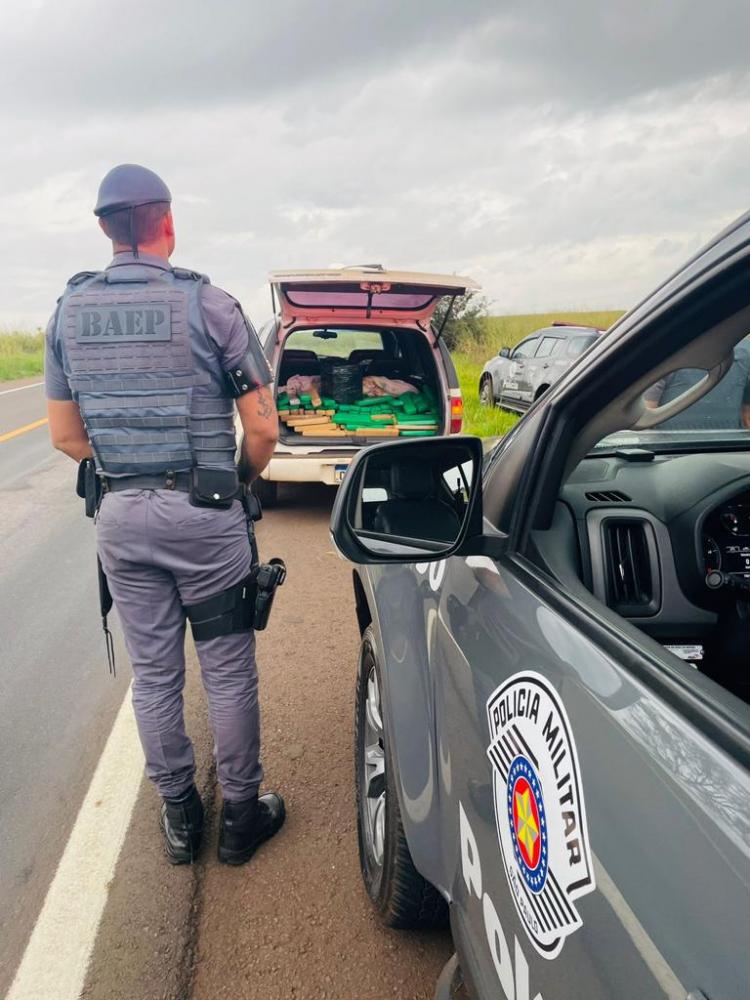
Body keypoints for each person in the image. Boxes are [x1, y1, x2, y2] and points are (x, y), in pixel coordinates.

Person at [44, 163, 285, 866]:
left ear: (103, 230)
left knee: (154, 676)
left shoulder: (67, 314)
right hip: (206, 515)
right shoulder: (210, 307)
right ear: (168, 221)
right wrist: (235, 483)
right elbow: (263, 433)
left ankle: (180, 817)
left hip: (120, 518)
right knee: (229, 671)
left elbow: (64, 438)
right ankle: (241, 817)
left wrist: (126, 472)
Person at [643, 340, 750, 429]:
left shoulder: (665, 352)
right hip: (729, 448)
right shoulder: (746, 351)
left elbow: (644, 418)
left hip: (671, 450)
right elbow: (747, 417)